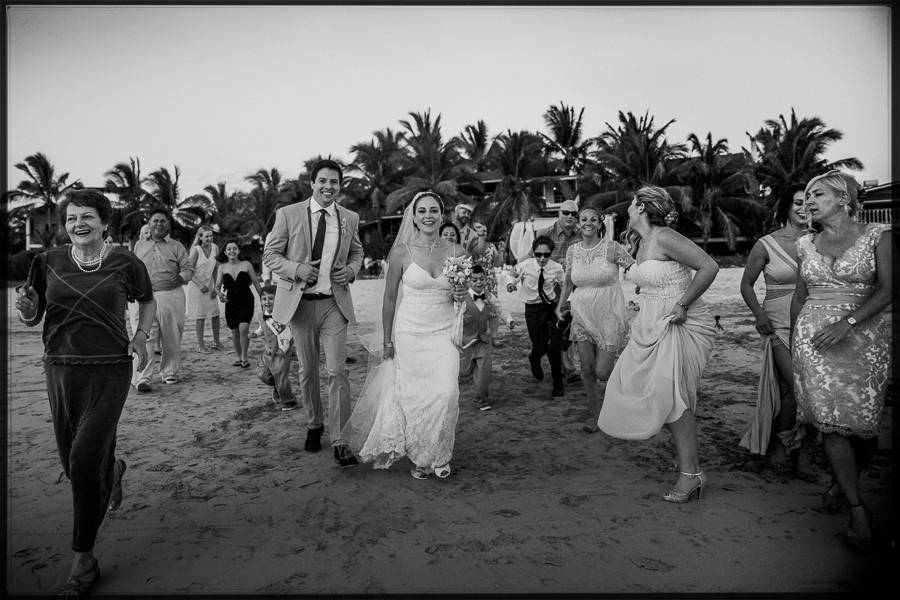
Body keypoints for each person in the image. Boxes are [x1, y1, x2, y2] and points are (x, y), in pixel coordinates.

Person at [15, 190, 156, 598]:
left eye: (87, 217)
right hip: (60, 368)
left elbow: (147, 300)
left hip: (111, 367)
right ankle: (111, 473)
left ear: (104, 222)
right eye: (72, 217)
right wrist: (25, 307)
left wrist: (142, 336)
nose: (78, 223)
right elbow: (32, 316)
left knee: (81, 460)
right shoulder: (48, 261)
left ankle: (83, 560)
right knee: (76, 462)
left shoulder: (126, 263)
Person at [791, 170, 892, 553]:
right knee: (832, 426)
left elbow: (889, 289)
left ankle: (839, 483)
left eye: (818, 195)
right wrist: (793, 342)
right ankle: (857, 508)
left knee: (864, 429)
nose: (809, 202)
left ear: (844, 197)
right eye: (806, 197)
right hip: (812, 342)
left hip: (864, 337)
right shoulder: (805, 245)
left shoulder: (878, 237)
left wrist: (847, 323)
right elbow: (800, 297)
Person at [597, 186, 718, 504]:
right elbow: (649, 281)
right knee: (656, 395)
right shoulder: (639, 243)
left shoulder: (665, 236)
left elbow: (709, 266)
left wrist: (683, 304)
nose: (629, 207)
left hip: (678, 322)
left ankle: (691, 474)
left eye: (633, 202)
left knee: (674, 396)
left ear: (641, 207)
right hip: (649, 323)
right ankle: (687, 461)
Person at [341, 191, 468, 479]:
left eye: (433, 210)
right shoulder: (401, 253)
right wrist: (387, 341)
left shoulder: (456, 252)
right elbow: (389, 299)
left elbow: (465, 296)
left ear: (441, 214)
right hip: (410, 332)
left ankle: (440, 452)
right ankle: (422, 458)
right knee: (415, 397)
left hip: (444, 332)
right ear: (414, 216)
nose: (428, 216)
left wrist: (462, 294)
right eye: (422, 211)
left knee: (446, 393)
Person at [263, 158, 364, 467]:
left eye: (334, 182)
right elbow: (269, 254)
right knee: (308, 371)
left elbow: (358, 252)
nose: (328, 187)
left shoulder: (349, 218)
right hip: (300, 305)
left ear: (339, 186)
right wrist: (297, 269)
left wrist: (351, 269)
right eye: (322, 181)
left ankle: (341, 440)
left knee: (337, 371)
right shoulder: (288, 214)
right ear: (312, 183)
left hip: (334, 302)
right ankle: (314, 424)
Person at [739, 185, 813, 478]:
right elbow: (746, 284)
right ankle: (783, 445)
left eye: (809, 202)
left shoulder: (819, 241)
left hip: (812, 320)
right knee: (798, 386)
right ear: (786, 207)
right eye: (798, 202)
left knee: (803, 390)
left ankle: (801, 450)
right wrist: (758, 314)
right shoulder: (765, 244)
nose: (804, 208)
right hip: (778, 322)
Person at [556, 206, 635, 433]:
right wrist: (560, 305)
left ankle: (622, 395)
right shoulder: (572, 250)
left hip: (608, 314)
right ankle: (597, 417)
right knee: (587, 370)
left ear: (600, 224)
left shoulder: (612, 248)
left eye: (593, 219)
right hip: (581, 313)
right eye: (583, 219)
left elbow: (634, 268)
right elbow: (569, 281)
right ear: (579, 224)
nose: (588, 223)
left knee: (603, 372)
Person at [131, 208, 194, 390]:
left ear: (168, 224)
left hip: (171, 295)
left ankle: (169, 373)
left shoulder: (177, 246)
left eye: (163, 221)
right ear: (149, 224)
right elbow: (132, 269)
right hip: (143, 297)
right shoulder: (139, 245)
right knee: (144, 336)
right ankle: (144, 377)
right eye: (155, 220)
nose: (159, 224)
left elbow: (188, 270)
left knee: (171, 335)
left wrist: (181, 277)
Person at [507, 236, 566, 397]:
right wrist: (511, 284)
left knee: (554, 347)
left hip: (550, 309)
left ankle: (557, 383)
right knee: (540, 345)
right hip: (532, 310)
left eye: (546, 255)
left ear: (551, 254)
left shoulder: (557, 268)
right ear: (534, 252)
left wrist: (563, 305)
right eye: (538, 254)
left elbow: (565, 286)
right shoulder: (525, 266)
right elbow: (511, 275)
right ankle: (534, 358)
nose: (542, 258)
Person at [458, 264, 516, 410]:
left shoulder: (489, 296)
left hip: (483, 341)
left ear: (485, 279)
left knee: (483, 372)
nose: (478, 282)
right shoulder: (461, 298)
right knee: (463, 371)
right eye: (474, 279)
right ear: (468, 281)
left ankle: (481, 400)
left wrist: (509, 320)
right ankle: (466, 373)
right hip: (465, 342)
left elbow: (500, 309)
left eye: (481, 279)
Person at [537, 199, 582, 382]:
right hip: (550, 292)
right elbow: (536, 260)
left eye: (573, 213)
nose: (570, 216)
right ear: (559, 213)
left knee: (568, 328)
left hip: (576, 290)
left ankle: (569, 369)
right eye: (566, 212)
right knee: (550, 332)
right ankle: (560, 365)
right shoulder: (545, 234)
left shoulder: (582, 236)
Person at [215, 240, 262, 368]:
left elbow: (256, 283)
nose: (232, 251)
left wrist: (263, 299)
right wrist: (219, 295)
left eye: (234, 248)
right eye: (229, 249)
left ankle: (244, 357)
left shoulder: (247, 264)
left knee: (243, 328)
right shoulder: (222, 267)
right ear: (225, 252)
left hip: (247, 300)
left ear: (239, 251)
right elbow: (217, 286)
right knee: (235, 331)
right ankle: (238, 356)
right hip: (231, 303)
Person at [253, 283, 298, 411]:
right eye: (264, 299)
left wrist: (283, 349)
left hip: (280, 352)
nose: (267, 302)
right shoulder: (261, 315)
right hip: (267, 352)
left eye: (271, 298)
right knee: (262, 374)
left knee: (280, 376)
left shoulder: (282, 316)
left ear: (277, 300)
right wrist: (256, 334)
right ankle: (278, 388)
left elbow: (287, 334)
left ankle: (289, 401)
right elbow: (263, 328)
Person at [186, 225, 223, 353]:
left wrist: (216, 287)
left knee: (215, 314)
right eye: (206, 236)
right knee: (200, 316)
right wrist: (200, 285)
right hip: (197, 286)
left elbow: (216, 269)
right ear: (200, 237)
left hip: (211, 285)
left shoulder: (215, 248)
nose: (209, 238)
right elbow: (188, 271)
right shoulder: (196, 251)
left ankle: (216, 342)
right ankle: (201, 345)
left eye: (211, 235)